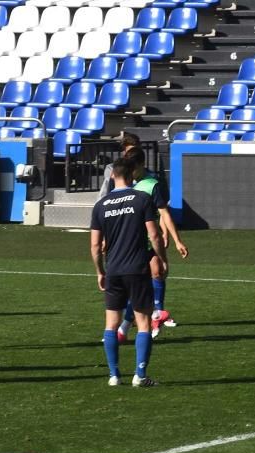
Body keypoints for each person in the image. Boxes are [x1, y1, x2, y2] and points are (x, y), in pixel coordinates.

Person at [91, 157, 168, 387]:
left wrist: (100, 271)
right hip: (137, 268)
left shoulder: (101, 205)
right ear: (131, 175)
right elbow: (154, 235)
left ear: (113, 175)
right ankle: (140, 375)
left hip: (113, 270)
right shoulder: (142, 199)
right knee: (143, 323)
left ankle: (114, 375)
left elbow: (95, 246)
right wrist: (162, 260)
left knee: (111, 324)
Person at [117, 147, 189, 342]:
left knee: (157, 272)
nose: (130, 173)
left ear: (140, 165)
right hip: (130, 241)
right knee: (137, 285)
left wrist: (176, 240)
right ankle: (127, 324)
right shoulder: (124, 185)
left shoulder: (151, 185)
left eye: (133, 169)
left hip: (148, 239)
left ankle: (156, 313)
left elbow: (164, 213)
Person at [98, 132, 140, 199]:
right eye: (129, 151)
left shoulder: (144, 172)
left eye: (135, 151)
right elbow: (104, 193)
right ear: (124, 152)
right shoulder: (112, 169)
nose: (132, 154)